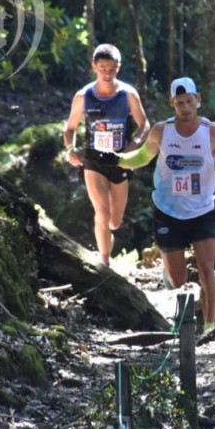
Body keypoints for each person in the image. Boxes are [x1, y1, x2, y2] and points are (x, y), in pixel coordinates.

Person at [117, 77, 215, 331]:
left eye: (189, 101)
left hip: (202, 211)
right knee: (179, 280)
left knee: (207, 269)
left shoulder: (212, 131)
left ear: (198, 100)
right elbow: (141, 158)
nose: (185, 108)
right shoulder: (160, 131)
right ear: (172, 104)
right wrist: (116, 160)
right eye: (179, 103)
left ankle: (209, 326)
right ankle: (170, 275)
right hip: (168, 212)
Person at [64, 44, 150, 266]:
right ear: (94, 67)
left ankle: (105, 244)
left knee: (114, 221)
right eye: (102, 68)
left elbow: (144, 124)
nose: (107, 73)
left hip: (121, 160)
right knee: (101, 211)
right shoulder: (83, 96)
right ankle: (104, 262)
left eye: (111, 69)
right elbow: (70, 128)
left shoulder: (128, 94)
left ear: (118, 68)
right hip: (94, 160)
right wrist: (70, 150)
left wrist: (134, 145)